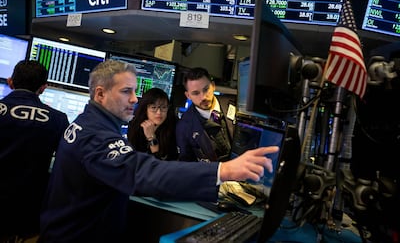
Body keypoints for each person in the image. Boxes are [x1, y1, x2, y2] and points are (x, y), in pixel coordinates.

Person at [39, 59, 278, 242]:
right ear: (100, 94)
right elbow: (143, 173)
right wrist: (223, 171)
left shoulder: (87, 122)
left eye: (134, 91)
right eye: (126, 91)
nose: (134, 99)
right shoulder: (96, 136)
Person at [0, 60, 69, 241]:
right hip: (27, 214)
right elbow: (65, 163)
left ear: (10, 82)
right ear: (43, 87)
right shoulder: (58, 120)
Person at [176, 67, 232, 162]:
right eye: (196, 93)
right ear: (188, 96)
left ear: (213, 86)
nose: (203, 97)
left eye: (206, 89)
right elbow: (187, 165)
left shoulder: (235, 104)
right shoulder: (183, 127)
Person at [127, 87, 178, 160]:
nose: (159, 112)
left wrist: (152, 138)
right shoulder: (134, 125)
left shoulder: (174, 127)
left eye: (163, 107)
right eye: (154, 108)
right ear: (145, 109)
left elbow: (162, 164)